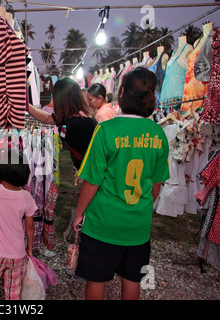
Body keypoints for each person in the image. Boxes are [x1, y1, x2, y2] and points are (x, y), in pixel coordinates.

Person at [73, 67, 170, 300]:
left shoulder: (106, 130)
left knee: (96, 279)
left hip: (102, 224)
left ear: (122, 93)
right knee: (132, 279)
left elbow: (92, 181)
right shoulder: (158, 134)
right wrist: (142, 207)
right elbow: (156, 184)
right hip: (138, 225)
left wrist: (78, 214)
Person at [0, 149, 37, 300]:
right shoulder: (26, 197)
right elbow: (30, 227)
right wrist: (29, 249)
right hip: (17, 254)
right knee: (13, 292)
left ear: (3, 172)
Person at [28, 77, 97, 171]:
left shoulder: (77, 123)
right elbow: (47, 118)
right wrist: (26, 105)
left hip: (91, 174)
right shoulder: (78, 115)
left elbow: (91, 159)